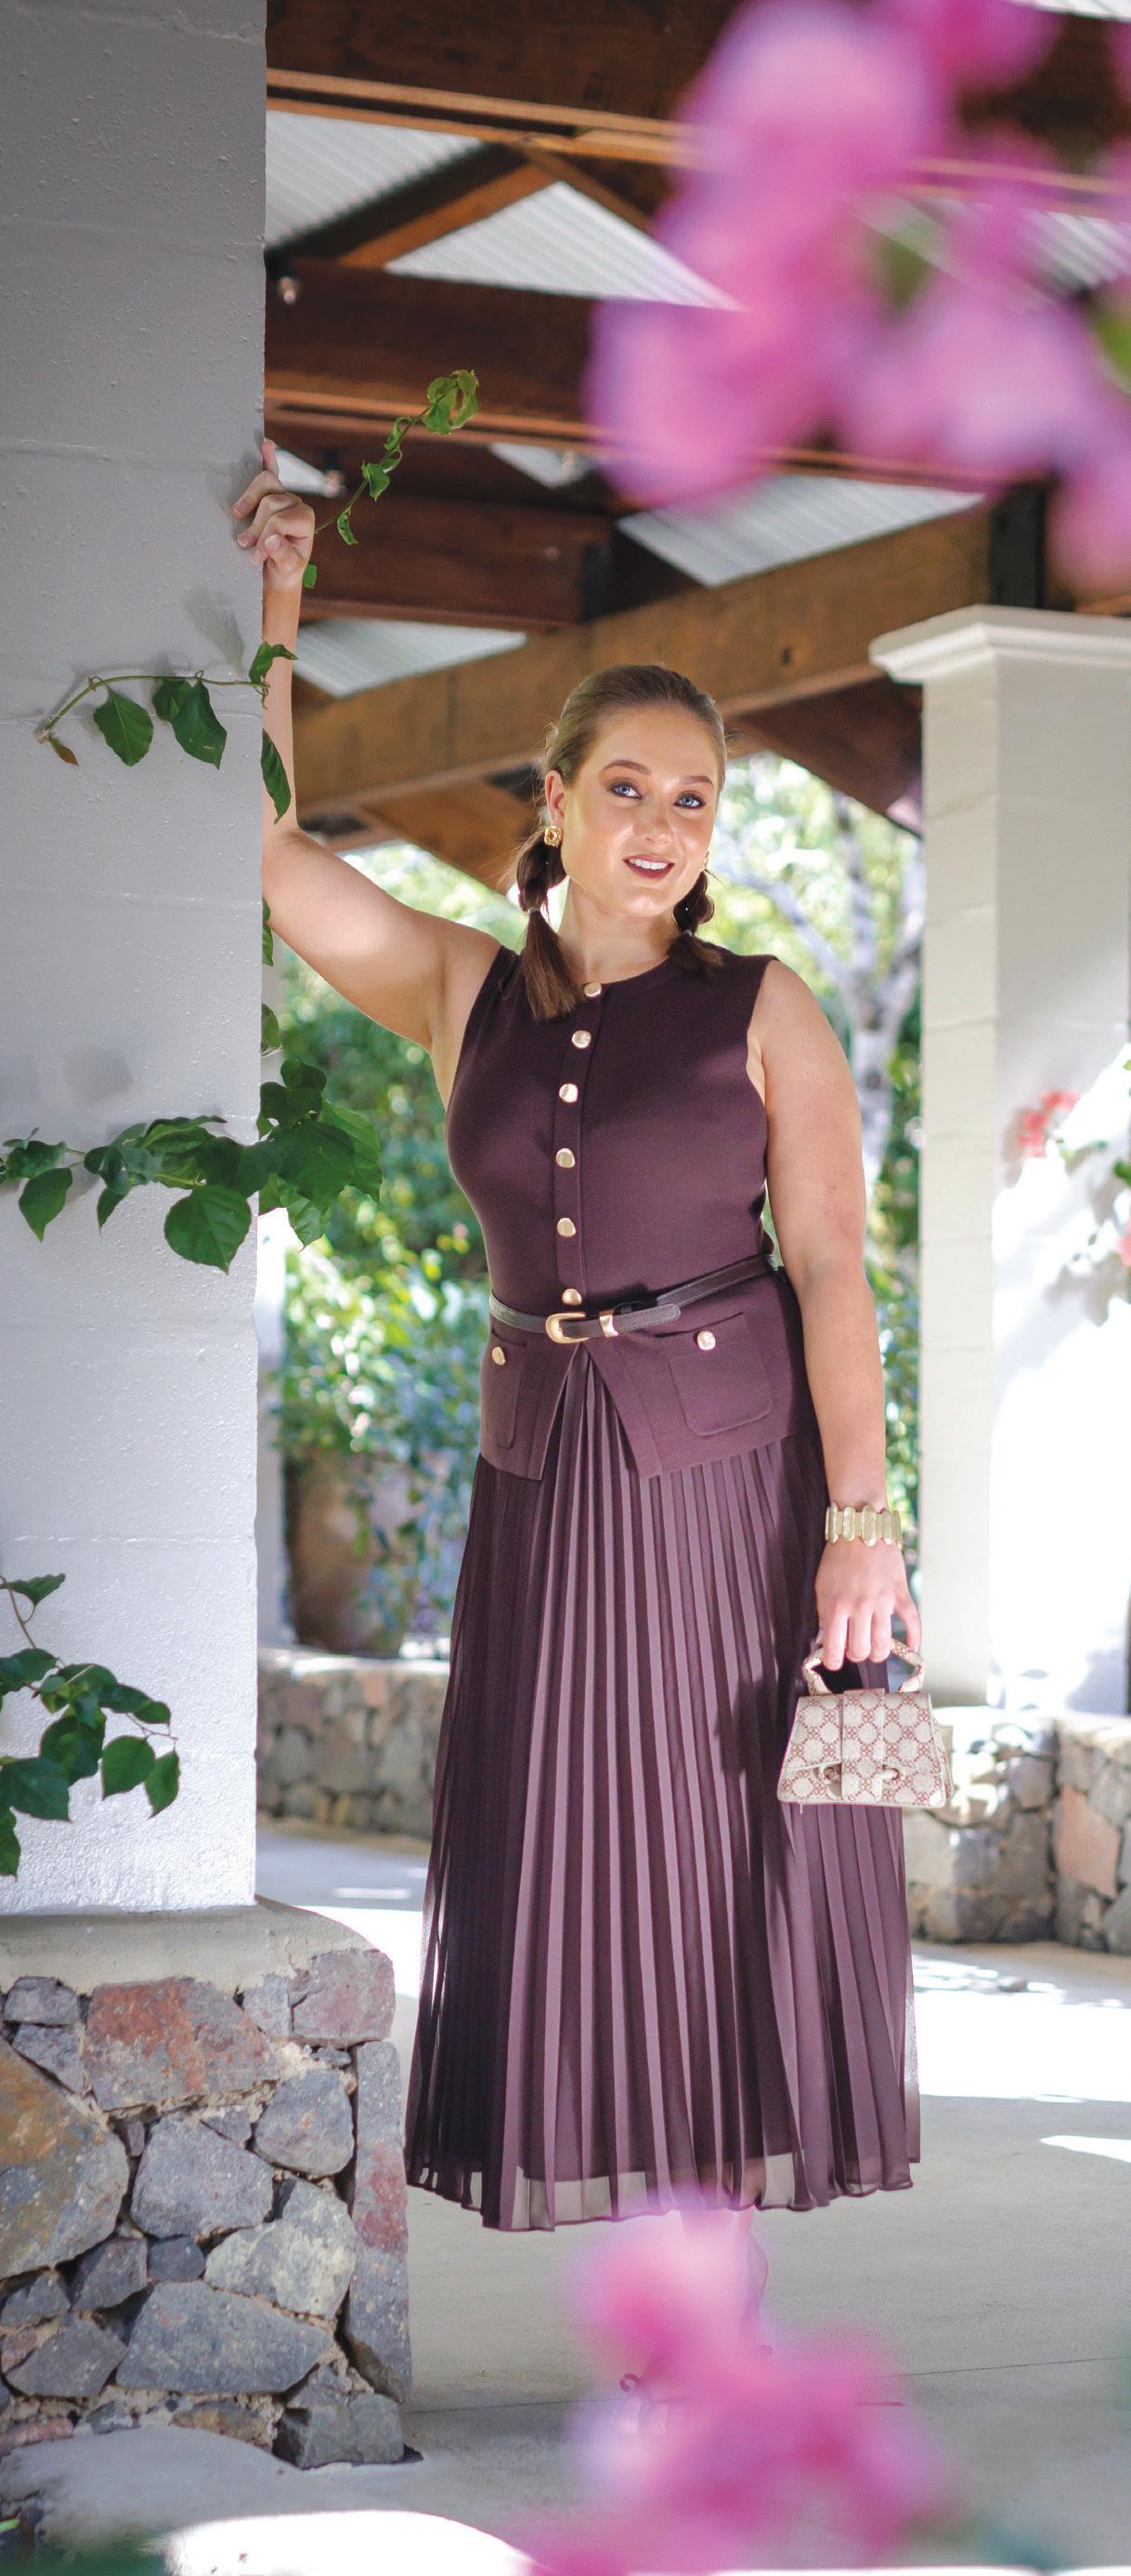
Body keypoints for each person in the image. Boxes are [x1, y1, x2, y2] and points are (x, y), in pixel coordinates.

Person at [235, 440, 922, 2238]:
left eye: (693, 798)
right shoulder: (463, 988)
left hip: (727, 1486)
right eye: (626, 787)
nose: (660, 825)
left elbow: (831, 1265)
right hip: (539, 1476)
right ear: (554, 800)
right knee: (574, 1858)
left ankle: (702, 2281)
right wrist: (278, 602)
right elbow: (264, 851)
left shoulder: (763, 1009)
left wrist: (862, 1524)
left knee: (710, 1857)